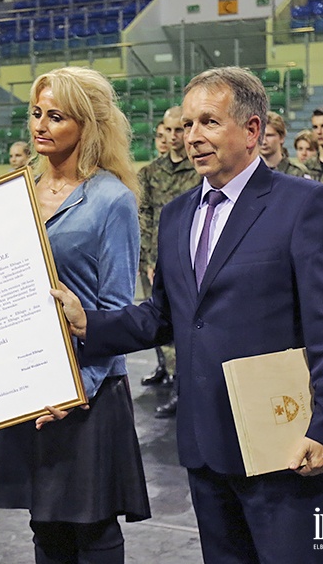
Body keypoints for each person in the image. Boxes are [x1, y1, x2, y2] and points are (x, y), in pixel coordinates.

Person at [50, 66, 323, 563]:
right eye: (188, 124)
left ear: (253, 131)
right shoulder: (176, 216)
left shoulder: (303, 205)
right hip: (206, 446)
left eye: (209, 123)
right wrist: (88, 322)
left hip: (283, 445)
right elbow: (165, 317)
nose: (192, 137)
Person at [0, 66, 150, 563]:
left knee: (93, 529)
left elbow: (118, 310)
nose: (40, 125)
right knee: (46, 525)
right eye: (36, 113)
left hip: (87, 393)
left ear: (88, 125)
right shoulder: (11, 195)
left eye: (56, 116)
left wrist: (76, 389)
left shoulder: (112, 201)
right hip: (27, 386)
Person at [137, 106, 201, 419]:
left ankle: (185, 388)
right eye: (170, 131)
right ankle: (174, 379)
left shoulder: (199, 170)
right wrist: (150, 256)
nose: (176, 137)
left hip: (192, 259)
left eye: (181, 130)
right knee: (162, 322)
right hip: (155, 260)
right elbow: (145, 216)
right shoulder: (150, 173)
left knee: (189, 327)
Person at [261, 111, 311, 178]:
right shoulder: (249, 172)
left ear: (281, 137)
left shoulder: (298, 173)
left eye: (269, 135)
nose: (264, 141)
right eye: (260, 136)